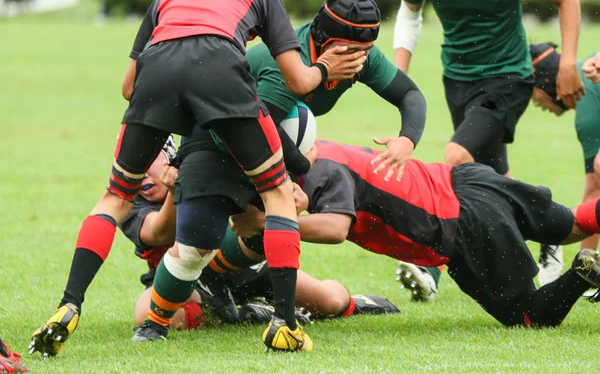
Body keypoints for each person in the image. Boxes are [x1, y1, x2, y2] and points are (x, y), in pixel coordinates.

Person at [30, 0, 369, 357]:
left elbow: (128, 88)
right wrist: (325, 68)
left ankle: (70, 302)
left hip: (157, 73)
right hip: (220, 69)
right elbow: (298, 78)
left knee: (114, 197)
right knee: (278, 194)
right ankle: (285, 325)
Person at [169, 0, 438, 315]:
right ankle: (192, 284)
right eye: (353, 49)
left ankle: (224, 281)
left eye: (367, 49)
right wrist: (301, 164)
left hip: (267, 136)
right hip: (217, 137)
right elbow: (255, 132)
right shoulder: (285, 64)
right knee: (214, 232)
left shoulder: (358, 56)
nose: (362, 58)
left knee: (261, 228)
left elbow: (410, 95)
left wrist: (406, 139)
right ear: (325, 43)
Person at [232, 139, 600, 328]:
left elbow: (334, 228)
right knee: (574, 224)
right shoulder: (315, 149)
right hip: (470, 180)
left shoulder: (322, 174)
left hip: (465, 224)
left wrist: (266, 223)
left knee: (526, 317)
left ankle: (583, 271)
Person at [118, 142, 400, 329]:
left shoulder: (203, 169)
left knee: (330, 302)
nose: (141, 172)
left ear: (169, 155)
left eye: (149, 160)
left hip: (242, 266)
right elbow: (159, 233)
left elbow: (255, 208)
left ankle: (360, 301)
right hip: (187, 282)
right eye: (133, 163)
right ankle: (242, 313)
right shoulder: (128, 201)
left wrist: (290, 196)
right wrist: (172, 192)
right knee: (147, 314)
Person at [393, 0, 583, 179]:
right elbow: (409, 15)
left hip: (507, 77)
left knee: (458, 156)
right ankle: (531, 211)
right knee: (494, 174)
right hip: (456, 80)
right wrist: (398, 78)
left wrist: (568, 64)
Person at [529, 43, 600, 289]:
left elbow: (594, 190)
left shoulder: (587, 114)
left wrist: (584, 270)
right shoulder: (589, 69)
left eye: (534, 94)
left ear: (549, 84)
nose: (536, 104)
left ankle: (555, 231)